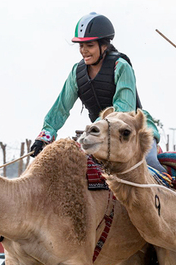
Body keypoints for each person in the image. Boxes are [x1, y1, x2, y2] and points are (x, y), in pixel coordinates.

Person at [30, 12, 164, 173]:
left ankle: (168, 192)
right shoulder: (76, 72)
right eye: (81, 46)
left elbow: (123, 109)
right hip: (101, 137)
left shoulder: (121, 67)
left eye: (90, 45)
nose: (84, 51)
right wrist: (45, 135)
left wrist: (94, 129)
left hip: (133, 134)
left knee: (150, 166)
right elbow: (61, 107)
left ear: (104, 45)